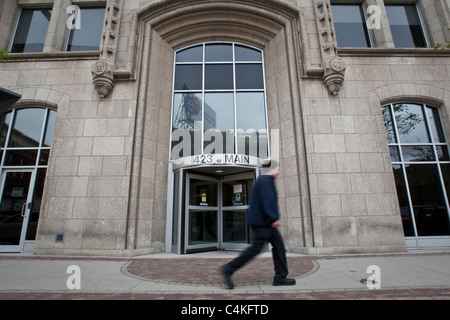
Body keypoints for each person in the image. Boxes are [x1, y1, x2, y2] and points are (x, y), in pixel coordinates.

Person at [218, 165, 296, 289]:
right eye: (277, 170)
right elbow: (268, 201)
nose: (278, 173)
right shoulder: (266, 180)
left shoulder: (263, 180)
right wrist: (273, 218)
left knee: (277, 246)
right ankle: (228, 269)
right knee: (256, 249)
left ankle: (280, 277)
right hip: (263, 223)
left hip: (263, 222)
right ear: (271, 170)